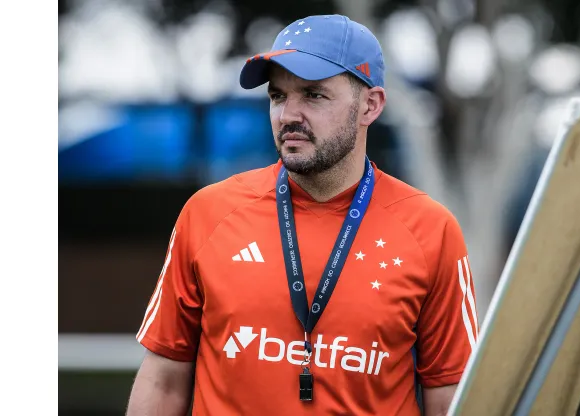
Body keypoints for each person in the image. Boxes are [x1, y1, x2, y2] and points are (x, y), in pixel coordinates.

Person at [126, 14, 479, 416]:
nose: (288, 114)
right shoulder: (209, 213)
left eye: (313, 95)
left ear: (370, 105)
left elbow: (452, 395)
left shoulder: (430, 230)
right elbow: (165, 377)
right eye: (278, 96)